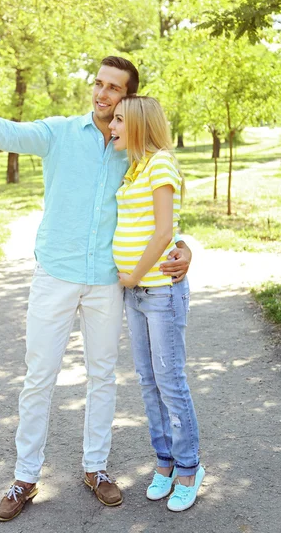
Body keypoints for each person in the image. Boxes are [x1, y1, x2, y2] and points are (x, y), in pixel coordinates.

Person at [0, 57, 192, 521]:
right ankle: (24, 477)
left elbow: (160, 205)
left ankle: (95, 469)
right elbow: (5, 132)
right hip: (55, 274)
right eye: (98, 83)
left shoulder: (131, 145)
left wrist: (183, 246)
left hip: (106, 282)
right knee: (39, 376)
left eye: (114, 88)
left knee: (102, 376)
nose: (102, 94)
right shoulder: (59, 132)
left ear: (128, 97)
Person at [109, 95, 204, 512]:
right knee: (148, 382)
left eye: (117, 120)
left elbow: (165, 231)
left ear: (137, 124)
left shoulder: (161, 162)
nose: (110, 125)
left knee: (170, 382)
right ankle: (164, 462)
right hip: (137, 295)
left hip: (160, 292)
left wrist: (131, 275)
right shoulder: (133, 169)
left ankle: (189, 468)